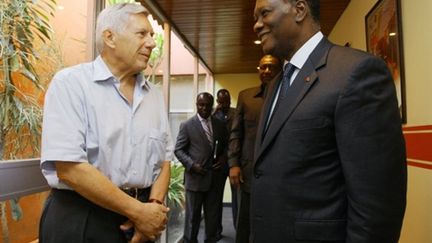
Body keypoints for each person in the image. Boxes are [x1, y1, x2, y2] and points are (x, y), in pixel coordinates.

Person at [251, 0, 407, 242]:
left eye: (264, 13)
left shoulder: (356, 72)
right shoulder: (276, 85)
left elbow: (377, 207)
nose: (257, 25)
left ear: (300, 10)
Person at [39, 3, 173, 243]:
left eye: (152, 35)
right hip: (82, 218)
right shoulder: (70, 84)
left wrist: (151, 209)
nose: (152, 43)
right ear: (110, 37)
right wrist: (138, 211)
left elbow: (164, 160)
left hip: (138, 223)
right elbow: (69, 168)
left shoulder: (154, 95)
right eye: (142, 34)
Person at [228, 54, 281, 243]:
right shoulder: (246, 96)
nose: (267, 71)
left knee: (274, 220)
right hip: (248, 171)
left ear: (280, 70)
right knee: (245, 221)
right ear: (258, 70)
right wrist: (233, 164)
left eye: (272, 67)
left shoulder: (288, 95)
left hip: (279, 172)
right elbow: (236, 133)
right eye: (263, 67)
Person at [174, 92, 228, 243]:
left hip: (214, 180)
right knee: (192, 220)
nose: (204, 108)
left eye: (207, 105)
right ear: (196, 105)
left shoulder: (220, 124)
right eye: (201, 105)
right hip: (195, 179)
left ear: (212, 105)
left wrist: (223, 158)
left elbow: (227, 146)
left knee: (212, 219)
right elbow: (178, 150)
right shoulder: (187, 125)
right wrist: (192, 165)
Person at [212, 88, 237, 237]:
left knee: (237, 198)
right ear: (217, 101)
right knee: (216, 198)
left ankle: (238, 228)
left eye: (226, 101)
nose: (224, 104)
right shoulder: (213, 114)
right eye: (221, 101)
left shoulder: (236, 112)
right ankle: (216, 230)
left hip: (234, 160)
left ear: (230, 100)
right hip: (220, 162)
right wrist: (216, 111)